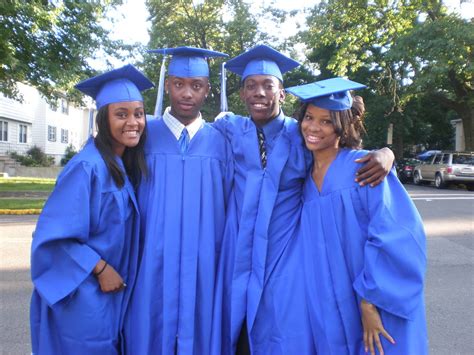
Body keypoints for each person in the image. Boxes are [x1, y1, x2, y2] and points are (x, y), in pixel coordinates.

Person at [213, 44, 395, 354]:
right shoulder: (228, 129)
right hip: (238, 250)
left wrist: (387, 153)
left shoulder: (298, 134)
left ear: (281, 93)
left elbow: (338, 148)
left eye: (267, 85)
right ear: (242, 94)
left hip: (285, 251)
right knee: (234, 327)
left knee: (281, 328)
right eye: (251, 86)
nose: (259, 92)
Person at [286, 77, 428, 355]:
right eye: (309, 117)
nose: (313, 127)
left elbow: (395, 237)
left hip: (373, 302)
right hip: (326, 301)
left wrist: (370, 303)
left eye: (326, 121)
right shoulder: (303, 179)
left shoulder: (365, 167)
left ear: (343, 125)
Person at [30, 64, 154, 354]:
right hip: (83, 294)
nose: (132, 122)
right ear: (103, 119)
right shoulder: (87, 167)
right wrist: (100, 268)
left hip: (110, 296)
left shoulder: (121, 165)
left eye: (138, 113)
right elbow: (54, 237)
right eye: (121, 114)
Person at [123, 47, 234, 355]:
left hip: (204, 264)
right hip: (151, 262)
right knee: (149, 331)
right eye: (179, 84)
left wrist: (383, 153)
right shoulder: (142, 135)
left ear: (208, 90)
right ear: (168, 84)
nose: (187, 93)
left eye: (196, 85)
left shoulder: (223, 141)